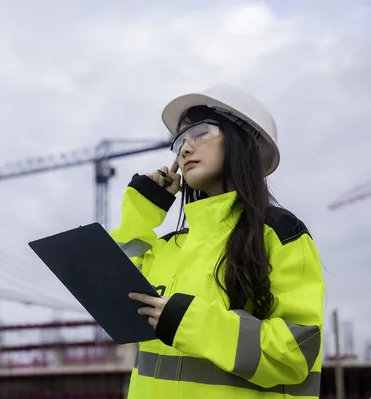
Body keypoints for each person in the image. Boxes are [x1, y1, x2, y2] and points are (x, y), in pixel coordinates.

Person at [109, 84, 325, 398]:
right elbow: (112, 295)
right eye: (181, 140)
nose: (184, 148)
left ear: (242, 141)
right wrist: (141, 213)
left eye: (199, 133)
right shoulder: (169, 246)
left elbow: (295, 353)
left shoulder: (278, 234)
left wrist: (193, 323)